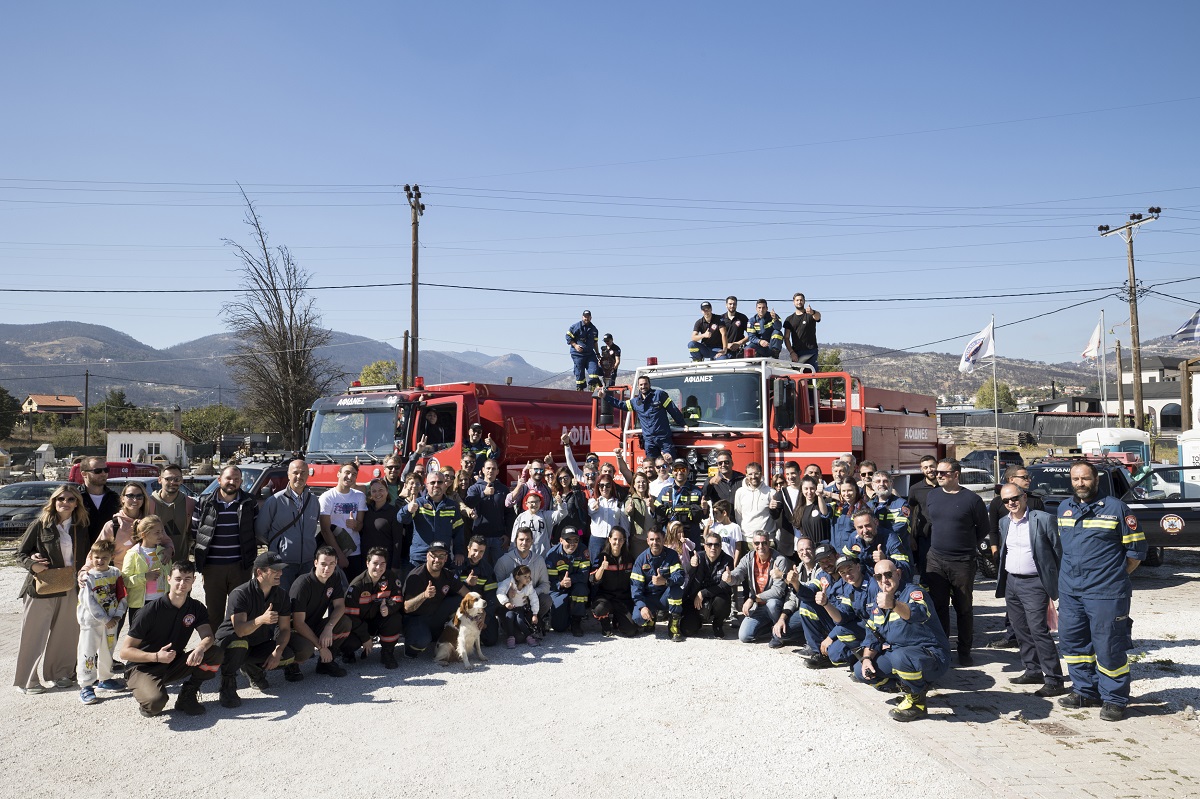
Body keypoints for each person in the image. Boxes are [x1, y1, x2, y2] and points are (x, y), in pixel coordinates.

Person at [1055, 461, 1147, 722]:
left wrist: (1114, 577)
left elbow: (1136, 552)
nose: (1080, 483)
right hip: (1071, 592)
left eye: (1085, 478)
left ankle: (1115, 699)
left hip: (1106, 593)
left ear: (1096, 480)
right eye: (1075, 479)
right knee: (1073, 643)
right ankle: (1085, 691)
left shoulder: (1117, 509)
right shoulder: (1064, 508)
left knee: (1109, 646)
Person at [118, 561, 222, 717]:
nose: (182, 583)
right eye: (178, 579)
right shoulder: (149, 611)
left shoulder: (196, 608)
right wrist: (156, 656)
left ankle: (188, 694)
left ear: (193, 580)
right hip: (143, 667)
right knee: (155, 704)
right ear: (168, 579)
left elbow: (208, 636)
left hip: (172, 662)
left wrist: (200, 648)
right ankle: (147, 691)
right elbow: (125, 652)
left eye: (187, 579)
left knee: (214, 653)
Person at [854, 559, 952, 722]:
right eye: (878, 577)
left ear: (898, 574)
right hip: (901, 656)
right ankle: (908, 688)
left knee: (901, 657)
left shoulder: (914, 592)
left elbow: (918, 613)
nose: (884, 580)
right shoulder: (879, 603)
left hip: (931, 656)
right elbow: (872, 635)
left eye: (888, 574)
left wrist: (893, 604)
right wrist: (866, 659)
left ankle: (917, 703)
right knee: (860, 670)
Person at [15, 484, 88, 694]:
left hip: (70, 586)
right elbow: (20, 554)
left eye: (70, 499)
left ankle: (60, 674)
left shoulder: (81, 527)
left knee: (66, 633)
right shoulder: (40, 524)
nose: (65, 503)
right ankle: (27, 680)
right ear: (54, 501)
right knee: (34, 634)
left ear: (77, 503)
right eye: (60, 499)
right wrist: (32, 564)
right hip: (41, 586)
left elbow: (87, 555)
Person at [996, 484, 1066, 697]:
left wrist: (1059, 583)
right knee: (1020, 629)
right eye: (1006, 501)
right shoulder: (1004, 522)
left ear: (1024, 497)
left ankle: (1054, 679)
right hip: (1012, 582)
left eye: (1014, 498)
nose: (1011, 503)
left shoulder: (1043, 519)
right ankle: (1033, 670)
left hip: (1035, 583)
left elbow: (1058, 551)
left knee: (1038, 630)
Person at [925, 458, 990, 666]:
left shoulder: (972, 500)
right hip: (936, 559)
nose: (938, 475)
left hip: (962, 562)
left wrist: (964, 545)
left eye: (943, 473)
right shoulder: (932, 495)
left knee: (963, 607)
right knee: (938, 606)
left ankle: (964, 651)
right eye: (937, 472)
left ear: (955, 475)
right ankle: (942, 649)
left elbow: (983, 528)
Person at [215, 551, 296, 708]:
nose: (280, 573)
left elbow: (285, 629)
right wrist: (261, 619)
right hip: (230, 643)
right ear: (260, 572)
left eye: (281, 569)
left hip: (257, 643)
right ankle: (227, 685)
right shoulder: (240, 593)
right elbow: (239, 630)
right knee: (239, 643)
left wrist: (277, 651)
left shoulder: (281, 595)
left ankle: (251, 668)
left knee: (287, 655)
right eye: (275, 570)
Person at [985, 465, 1046, 649]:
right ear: (1011, 479)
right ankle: (1012, 634)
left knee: (1032, 606)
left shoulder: (1035, 502)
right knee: (1011, 600)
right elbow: (993, 530)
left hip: (1031, 565)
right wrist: (995, 551)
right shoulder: (998, 503)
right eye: (1024, 477)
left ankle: (1033, 636)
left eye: (1028, 477)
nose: (1028, 480)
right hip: (1007, 559)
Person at [192, 465, 258, 625]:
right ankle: (216, 641)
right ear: (219, 479)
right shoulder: (204, 502)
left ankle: (237, 641)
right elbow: (195, 532)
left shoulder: (249, 502)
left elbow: (255, 531)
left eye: (236, 479)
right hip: (213, 568)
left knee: (240, 612)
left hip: (240, 567)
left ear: (241, 482)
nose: (232, 482)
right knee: (214, 613)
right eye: (228, 478)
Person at [257, 458, 326, 592]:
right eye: (295, 472)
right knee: (283, 600)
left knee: (304, 600)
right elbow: (260, 530)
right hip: (282, 563)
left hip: (307, 562)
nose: (299, 476)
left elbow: (313, 529)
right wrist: (278, 544)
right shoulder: (275, 501)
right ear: (288, 475)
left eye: (303, 472)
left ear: (308, 475)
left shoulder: (313, 501)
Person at [76, 538, 128, 705]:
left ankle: (105, 678)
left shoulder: (115, 573)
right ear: (91, 557)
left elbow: (122, 595)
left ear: (111, 557)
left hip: (112, 621)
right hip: (92, 622)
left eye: (104, 557)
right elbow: (88, 601)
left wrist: (117, 615)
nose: (100, 560)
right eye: (96, 557)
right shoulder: (88, 577)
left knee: (108, 650)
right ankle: (86, 685)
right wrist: (105, 619)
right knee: (88, 652)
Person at [286, 546, 350, 679]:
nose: (327, 568)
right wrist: (321, 648)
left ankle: (325, 663)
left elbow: (340, 606)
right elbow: (298, 623)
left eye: (331, 564)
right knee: (306, 649)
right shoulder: (303, 584)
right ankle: (291, 665)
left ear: (336, 563)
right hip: (293, 631)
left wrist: (329, 627)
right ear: (315, 563)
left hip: (314, 624)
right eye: (323, 564)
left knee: (344, 623)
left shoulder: (334, 577)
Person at [402, 542, 470, 659]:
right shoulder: (416, 576)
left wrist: (481, 612)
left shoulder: (448, 574)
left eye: (441, 556)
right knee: (421, 641)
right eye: (433, 555)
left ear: (446, 558)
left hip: (435, 615)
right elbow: (406, 608)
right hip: (416, 618)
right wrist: (424, 595)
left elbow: (467, 594)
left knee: (460, 601)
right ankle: (410, 648)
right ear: (427, 556)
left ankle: (443, 636)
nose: (437, 560)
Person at [803, 555, 870, 670]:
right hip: (859, 627)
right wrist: (825, 603)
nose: (847, 575)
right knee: (834, 655)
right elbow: (842, 617)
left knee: (843, 632)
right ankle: (822, 654)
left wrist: (831, 636)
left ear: (858, 567)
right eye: (843, 573)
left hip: (876, 631)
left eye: (850, 570)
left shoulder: (871, 586)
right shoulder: (850, 588)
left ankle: (865, 660)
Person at [341, 547, 404, 669]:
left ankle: (387, 653)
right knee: (349, 643)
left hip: (378, 619)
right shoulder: (357, 585)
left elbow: (398, 599)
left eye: (382, 564)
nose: (379, 567)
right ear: (367, 563)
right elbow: (350, 616)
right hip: (358, 624)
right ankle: (348, 653)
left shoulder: (391, 577)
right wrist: (365, 638)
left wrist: (389, 608)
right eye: (375, 563)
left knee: (395, 619)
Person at [724, 532, 791, 644]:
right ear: (753, 544)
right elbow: (738, 573)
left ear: (769, 543)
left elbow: (778, 591)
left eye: (764, 543)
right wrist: (730, 577)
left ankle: (779, 634)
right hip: (758, 606)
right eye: (757, 543)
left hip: (775, 604)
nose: (760, 546)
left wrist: (753, 598)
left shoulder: (779, 560)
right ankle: (771, 627)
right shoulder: (749, 557)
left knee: (772, 604)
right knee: (744, 636)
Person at [603, 375, 689, 463]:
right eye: (641, 385)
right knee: (651, 465)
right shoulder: (635, 402)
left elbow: (673, 409)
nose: (643, 386)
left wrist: (683, 424)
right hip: (649, 441)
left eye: (645, 384)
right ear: (638, 386)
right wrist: (605, 396)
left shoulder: (659, 395)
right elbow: (620, 404)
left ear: (649, 384)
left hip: (664, 439)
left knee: (670, 462)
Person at [399, 471, 467, 568]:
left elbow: (458, 531)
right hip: (420, 558)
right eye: (432, 482)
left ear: (444, 484)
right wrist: (407, 509)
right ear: (426, 485)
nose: (436, 485)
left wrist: (459, 552)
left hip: (442, 558)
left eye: (440, 482)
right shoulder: (418, 503)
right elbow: (401, 519)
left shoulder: (452, 506)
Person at [631, 528, 686, 641]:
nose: (655, 542)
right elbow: (636, 587)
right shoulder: (641, 560)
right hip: (649, 598)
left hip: (665, 597)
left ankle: (673, 625)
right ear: (647, 541)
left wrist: (666, 581)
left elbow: (680, 577)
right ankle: (651, 618)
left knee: (676, 589)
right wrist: (642, 606)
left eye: (658, 539)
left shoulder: (671, 555)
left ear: (663, 540)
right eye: (652, 539)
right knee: (638, 618)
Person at [682, 529, 734, 638]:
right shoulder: (698, 557)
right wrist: (691, 565)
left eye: (716, 545)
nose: (713, 548)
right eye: (709, 544)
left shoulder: (728, 560)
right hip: (695, 599)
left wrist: (703, 593)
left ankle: (718, 624)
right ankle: (698, 620)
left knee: (722, 601)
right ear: (705, 546)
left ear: (721, 546)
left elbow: (724, 585)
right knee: (687, 631)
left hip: (715, 597)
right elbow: (686, 573)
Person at [320, 463, 368, 578]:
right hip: (333, 552)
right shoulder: (327, 497)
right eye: (347, 473)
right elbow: (325, 530)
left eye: (354, 474)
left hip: (354, 551)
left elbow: (360, 526)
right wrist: (339, 555)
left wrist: (355, 524)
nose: (350, 476)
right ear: (338, 474)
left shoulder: (360, 496)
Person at [120, 516, 170, 625]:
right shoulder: (133, 554)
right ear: (144, 534)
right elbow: (125, 581)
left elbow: (170, 577)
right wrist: (145, 577)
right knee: (139, 634)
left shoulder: (164, 553)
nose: (161, 535)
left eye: (162, 531)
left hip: (161, 602)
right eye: (157, 532)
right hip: (139, 605)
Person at [590, 527, 638, 637]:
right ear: (609, 539)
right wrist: (602, 568)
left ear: (624, 541)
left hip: (623, 598)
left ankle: (617, 620)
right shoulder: (602, 557)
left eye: (621, 539)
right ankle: (605, 624)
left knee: (630, 631)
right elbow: (593, 579)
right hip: (605, 597)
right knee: (599, 609)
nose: (617, 542)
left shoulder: (629, 558)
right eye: (615, 539)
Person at [455, 535, 500, 647]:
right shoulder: (457, 564)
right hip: (460, 607)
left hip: (479, 609)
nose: (477, 554)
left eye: (481, 551)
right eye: (475, 550)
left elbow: (491, 597)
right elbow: (450, 592)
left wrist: (485, 615)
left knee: (491, 640)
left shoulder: (487, 569)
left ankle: (475, 637)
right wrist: (466, 583)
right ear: (468, 548)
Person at [844, 509, 913, 581]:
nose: (865, 531)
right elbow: (846, 559)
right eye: (860, 527)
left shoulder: (890, 538)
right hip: (868, 580)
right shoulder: (854, 538)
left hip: (889, 581)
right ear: (855, 527)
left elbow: (906, 569)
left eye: (868, 526)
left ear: (876, 523)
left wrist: (886, 560)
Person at [99, 480, 152, 571]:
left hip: (147, 575)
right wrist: (85, 570)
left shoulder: (151, 523)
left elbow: (165, 542)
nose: (135, 500)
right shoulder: (113, 526)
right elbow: (97, 551)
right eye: (130, 496)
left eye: (139, 496)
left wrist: (168, 550)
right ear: (122, 499)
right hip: (120, 575)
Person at [465, 459, 510, 564]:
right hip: (479, 538)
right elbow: (468, 504)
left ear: (497, 471)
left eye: (493, 469)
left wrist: (508, 534)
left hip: (499, 538)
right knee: (479, 568)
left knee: (500, 568)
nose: (491, 471)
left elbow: (509, 513)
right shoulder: (474, 488)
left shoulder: (503, 489)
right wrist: (483, 494)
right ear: (483, 470)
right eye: (488, 468)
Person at [654, 459, 706, 545]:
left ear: (688, 471)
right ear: (672, 472)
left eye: (683, 469)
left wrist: (705, 509)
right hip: (670, 537)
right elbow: (656, 514)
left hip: (691, 537)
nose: (679, 472)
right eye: (676, 469)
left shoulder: (697, 491)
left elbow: (704, 516)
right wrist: (651, 506)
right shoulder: (665, 491)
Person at [361, 478, 405, 578]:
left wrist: (395, 565)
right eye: (374, 491)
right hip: (366, 559)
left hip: (384, 561)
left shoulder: (394, 512)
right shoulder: (365, 510)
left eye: (381, 490)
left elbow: (397, 541)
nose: (377, 493)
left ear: (387, 491)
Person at [150, 463, 195, 558]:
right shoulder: (149, 503)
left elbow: (192, 534)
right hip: (152, 562)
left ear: (181, 480)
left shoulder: (189, 503)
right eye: (168, 479)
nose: (172, 482)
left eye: (176, 479)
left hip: (180, 562)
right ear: (160, 480)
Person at [77, 455, 120, 554]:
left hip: (108, 555)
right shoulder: (75, 498)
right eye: (98, 471)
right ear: (84, 474)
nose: (103, 473)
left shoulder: (114, 498)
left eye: (106, 470)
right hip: (81, 554)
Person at [905, 455, 939, 577]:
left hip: (945, 534)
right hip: (925, 536)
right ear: (921, 469)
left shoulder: (946, 486)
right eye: (925, 467)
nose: (929, 470)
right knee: (925, 569)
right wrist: (910, 537)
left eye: (931, 466)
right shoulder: (915, 489)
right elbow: (909, 515)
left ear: (937, 465)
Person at [734, 463, 778, 555]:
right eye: (750, 474)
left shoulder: (771, 492)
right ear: (746, 475)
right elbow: (738, 515)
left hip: (767, 541)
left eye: (756, 473)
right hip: (747, 540)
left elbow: (776, 517)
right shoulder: (740, 492)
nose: (753, 477)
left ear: (761, 474)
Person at [497, 565, 541, 648]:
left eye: (529, 576)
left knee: (520, 620)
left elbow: (534, 599)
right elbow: (500, 591)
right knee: (509, 617)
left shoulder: (528, 587)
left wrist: (535, 614)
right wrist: (506, 602)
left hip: (520, 608)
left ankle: (529, 636)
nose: (528, 579)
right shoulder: (509, 582)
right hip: (509, 608)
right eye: (525, 576)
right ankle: (510, 637)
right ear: (517, 577)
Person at [588, 475, 628, 561]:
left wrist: (626, 539)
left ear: (612, 486)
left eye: (608, 485)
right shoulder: (592, 501)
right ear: (598, 486)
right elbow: (590, 511)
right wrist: (594, 508)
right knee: (595, 565)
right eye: (601, 485)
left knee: (612, 564)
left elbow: (623, 523)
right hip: (597, 540)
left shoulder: (618, 503)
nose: (604, 488)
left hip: (613, 540)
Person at [868, 472, 910, 548]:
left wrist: (879, 538)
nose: (881, 484)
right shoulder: (868, 506)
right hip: (874, 548)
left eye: (885, 481)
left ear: (891, 484)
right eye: (878, 481)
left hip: (896, 548)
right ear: (872, 485)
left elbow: (901, 527)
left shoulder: (902, 504)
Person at [782, 291, 821, 367]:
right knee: (798, 374)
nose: (799, 302)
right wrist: (792, 352)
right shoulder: (789, 319)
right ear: (793, 302)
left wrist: (813, 312)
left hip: (811, 351)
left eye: (801, 300)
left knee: (812, 373)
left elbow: (818, 316)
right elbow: (786, 338)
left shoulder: (810, 315)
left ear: (804, 301)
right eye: (797, 300)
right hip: (797, 353)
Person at [566, 309, 602, 391]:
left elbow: (595, 342)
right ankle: (580, 389)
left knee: (594, 370)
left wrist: (597, 354)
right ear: (582, 317)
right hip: (577, 355)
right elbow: (568, 337)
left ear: (591, 318)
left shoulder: (594, 330)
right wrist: (575, 345)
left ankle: (592, 388)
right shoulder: (575, 327)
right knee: (579, 373)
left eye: (588, 317)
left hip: (590, 354)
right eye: (585, 317)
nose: (586, 318)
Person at [830, 480, 867, 554]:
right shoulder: (838, 506)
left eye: (849, 490)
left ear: (856, 491)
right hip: (836, 552)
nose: (846, 494)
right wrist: (820, 495)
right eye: (843, 491)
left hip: (852, 552)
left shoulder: (862, 508)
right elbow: (824, 512)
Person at [705, 499, 745, 567]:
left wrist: (734, 564)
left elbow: (738, 548)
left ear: (724, 513)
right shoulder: (715, 526)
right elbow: (705, 537)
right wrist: (707, 526)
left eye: (716, 513)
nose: (715, 516)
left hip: (729, 560)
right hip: (716, 560)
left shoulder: (735, 527)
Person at [793, 476, 832, 544]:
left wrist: (819, 495)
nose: (809, 492)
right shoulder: (799, 509)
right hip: (809, 547)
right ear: (801, 490)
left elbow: (824, 513)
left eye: (812, 488)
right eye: (806, 489)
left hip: (823, 546)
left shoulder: (821, 503)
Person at [513, 492, 553, 557]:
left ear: (540, 503)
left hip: (541, 554)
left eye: (536, 502)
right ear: (526, 503)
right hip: (524, 553)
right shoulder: (521, 517)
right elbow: (514, 535)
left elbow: (562, 513)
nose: (534, 504)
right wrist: (512, 550)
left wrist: (560, 504)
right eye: (531, 502)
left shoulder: (546, 515)